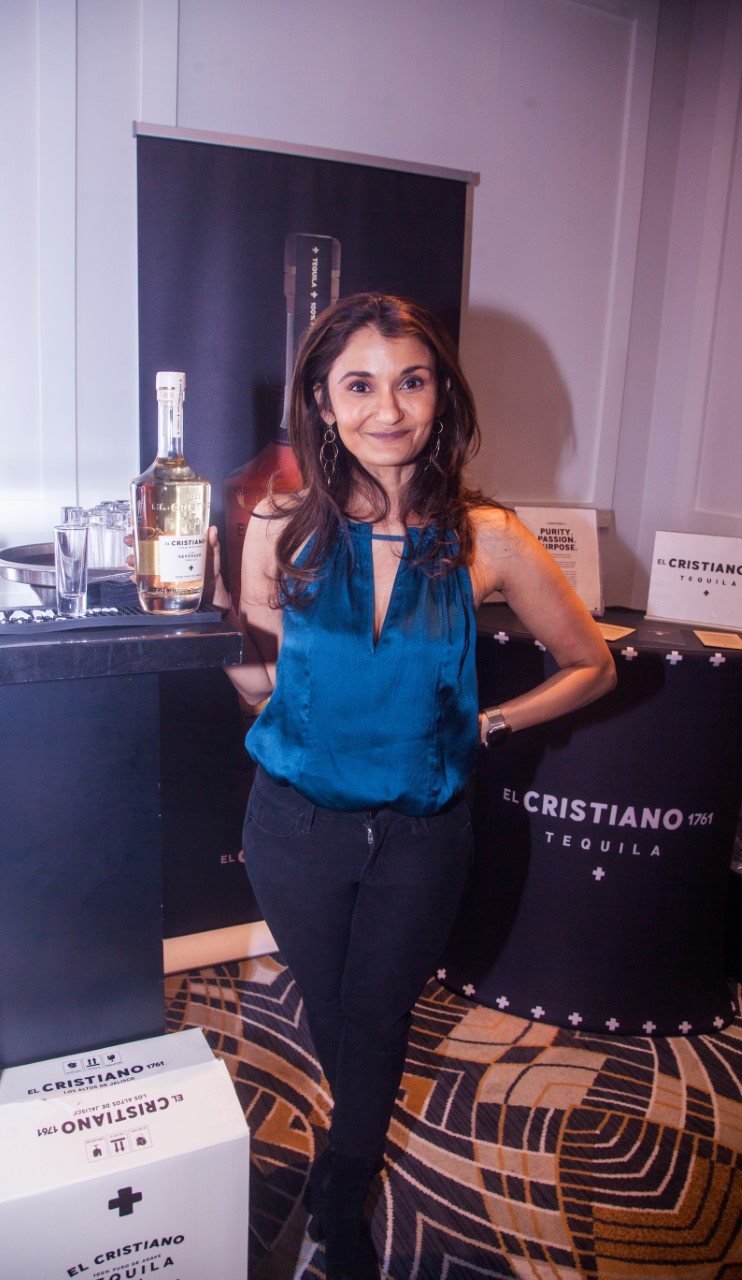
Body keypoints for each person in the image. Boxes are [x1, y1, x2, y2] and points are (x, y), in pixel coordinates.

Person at [207, 292, 616, 1279]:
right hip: (294, 826)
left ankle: (338, 1198)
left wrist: (489, 722)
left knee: (380, 1011)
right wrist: (240, 650)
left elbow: (591, 664)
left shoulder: (488, 537)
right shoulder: (277, 526)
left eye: (412, 381)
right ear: (323, 401)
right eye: (359, 384)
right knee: (336, 1003)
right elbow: (259, 677)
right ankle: (350, 1162)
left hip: (423, 833)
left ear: (441, 396)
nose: (386, 408)